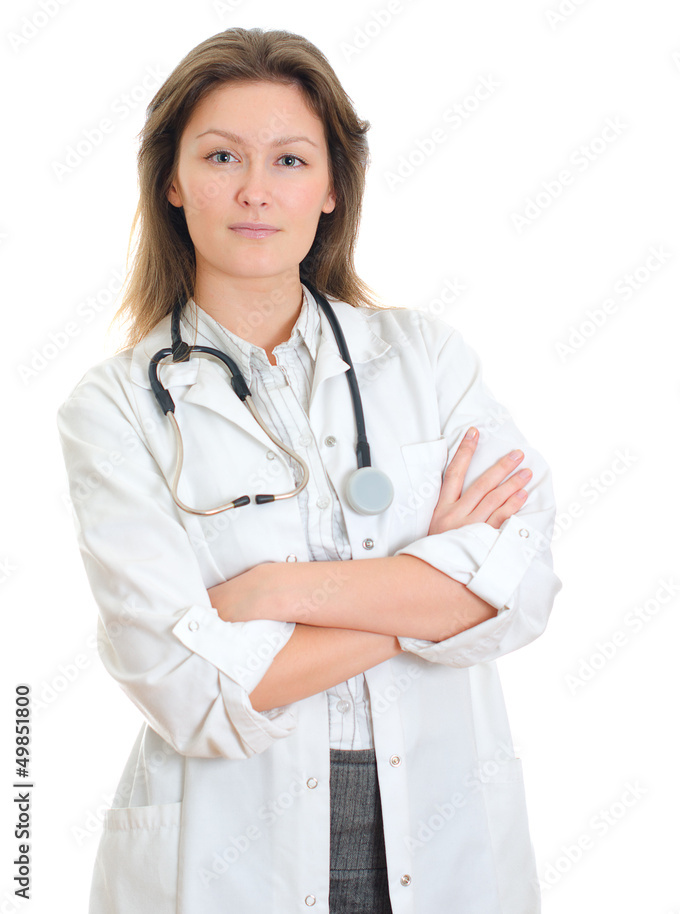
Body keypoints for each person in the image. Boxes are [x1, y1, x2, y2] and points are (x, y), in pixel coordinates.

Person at [56, 26, 561, 914]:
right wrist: (430, 588)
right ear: (172, 181)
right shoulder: (115, 408)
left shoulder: (427, 361)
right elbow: (191, 690)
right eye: (222, 156)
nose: (255, 191)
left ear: (332, 187)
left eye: (290, 160)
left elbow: (520, 591)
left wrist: (276, 588)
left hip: (445, 831)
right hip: (228, 851)